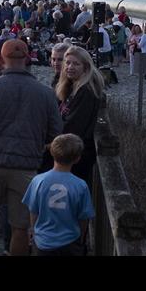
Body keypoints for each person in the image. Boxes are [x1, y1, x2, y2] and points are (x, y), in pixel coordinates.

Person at [0, 38, 62, 256]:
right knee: (20, 227)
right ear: (27, 58)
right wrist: (37, 145)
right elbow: (56, 133)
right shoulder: (45, 93)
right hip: (26, 166)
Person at [24, 133, 95, 257]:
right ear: (77, 158)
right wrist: (80, 239)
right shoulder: (80, 185)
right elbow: (83, 218)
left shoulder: (38, 180)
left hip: (43, 242)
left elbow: (33, 211)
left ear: (52, 153)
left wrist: (34, 232)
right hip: (70, 242)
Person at [45, 44, 103, 187]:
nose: (70, 67)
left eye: (76, 64)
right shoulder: (71, 86)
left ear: (86, 67)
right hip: (67, 150)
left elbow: (73, 126)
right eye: (68, 63)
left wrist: (47, 144)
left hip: (74, 155)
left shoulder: (86, 92)